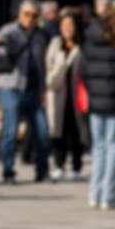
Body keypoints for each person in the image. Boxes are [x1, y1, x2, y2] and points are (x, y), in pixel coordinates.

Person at [80, 0, 115, 209]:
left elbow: (84, 69)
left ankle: (94, 193)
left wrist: (93, 89)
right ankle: (108, 195)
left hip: (96, 98)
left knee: (99, 147)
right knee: (114, 147)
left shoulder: (91, 37)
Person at [0, 0, 52, 184]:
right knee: (10, 130)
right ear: (19, 14)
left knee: (42, 130)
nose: (30, 19)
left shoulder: (42, 35)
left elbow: (45, 61)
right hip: (11, 86)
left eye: (35, 16)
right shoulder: (9, 31)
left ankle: (42, 170)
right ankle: (8, 170)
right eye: (27, 15)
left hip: (34, 89)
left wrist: (44, 87)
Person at [45, 11, 87, 179]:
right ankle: (58, 165)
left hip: (77, 96)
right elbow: (48, 67)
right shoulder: (55, 44)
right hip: (58, 94)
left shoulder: (82, 46)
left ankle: (77, 166)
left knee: (77, 132)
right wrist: (61, 64)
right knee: (57, 131)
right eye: (64, 26)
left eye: (70, 25)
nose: (67, 29)